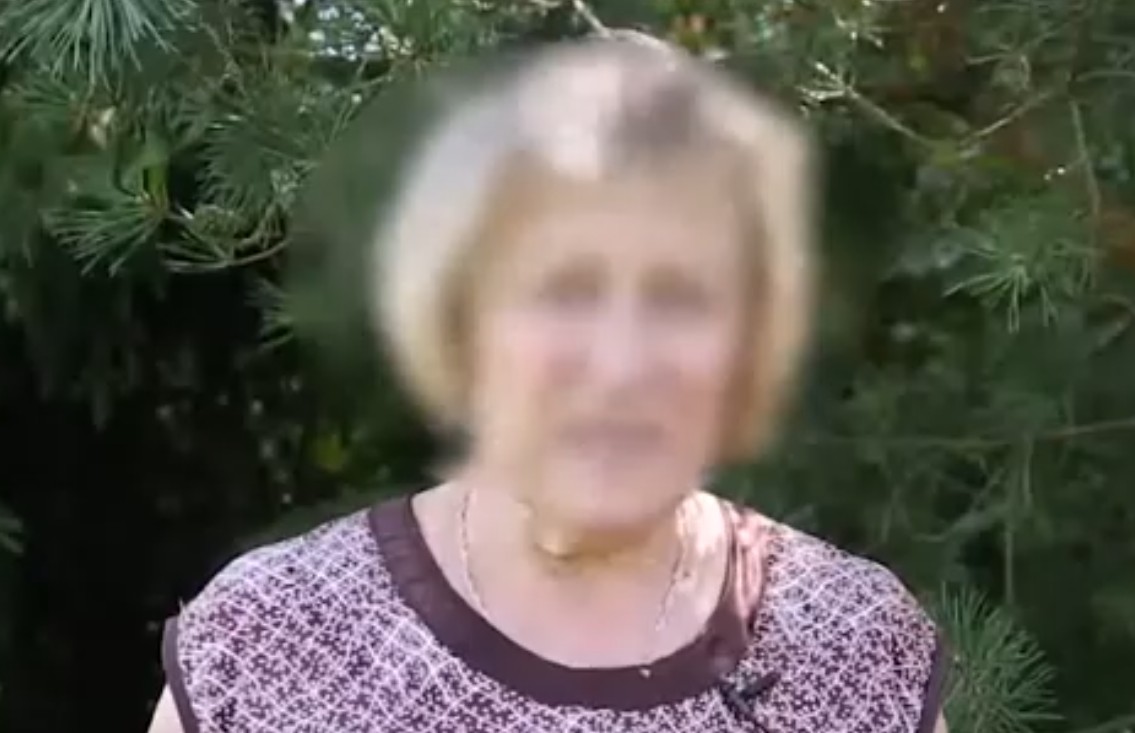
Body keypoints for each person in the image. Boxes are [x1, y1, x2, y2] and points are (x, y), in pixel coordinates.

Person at [148, 33, 949, 733]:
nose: (620, 362)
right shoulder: (274, 642)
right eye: (564, 289)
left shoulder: (849, 648)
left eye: (681, 298)